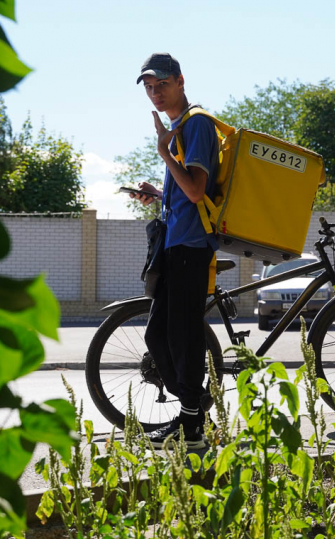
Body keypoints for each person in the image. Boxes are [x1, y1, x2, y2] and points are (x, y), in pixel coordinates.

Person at [130, 53, 219, 450]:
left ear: (180, 81)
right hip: (175, 242)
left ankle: (192, 425)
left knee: (182, 335)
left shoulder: (195, 123)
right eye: (150, 88)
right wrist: (158, 192)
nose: (155, 93)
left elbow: (197, 190)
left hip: (191, 244)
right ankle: (193, 409)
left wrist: (164, 153)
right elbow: (185, 191)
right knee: (159, 333)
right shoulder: (179, 126)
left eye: (162, 84)